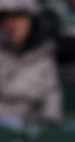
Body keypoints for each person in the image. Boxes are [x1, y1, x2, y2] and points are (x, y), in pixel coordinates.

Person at [0, 0, 62, 130]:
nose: (12, 24)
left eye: (19, 18)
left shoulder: (44, 59)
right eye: (6, 18)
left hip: (27, 135)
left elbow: (52, 108)